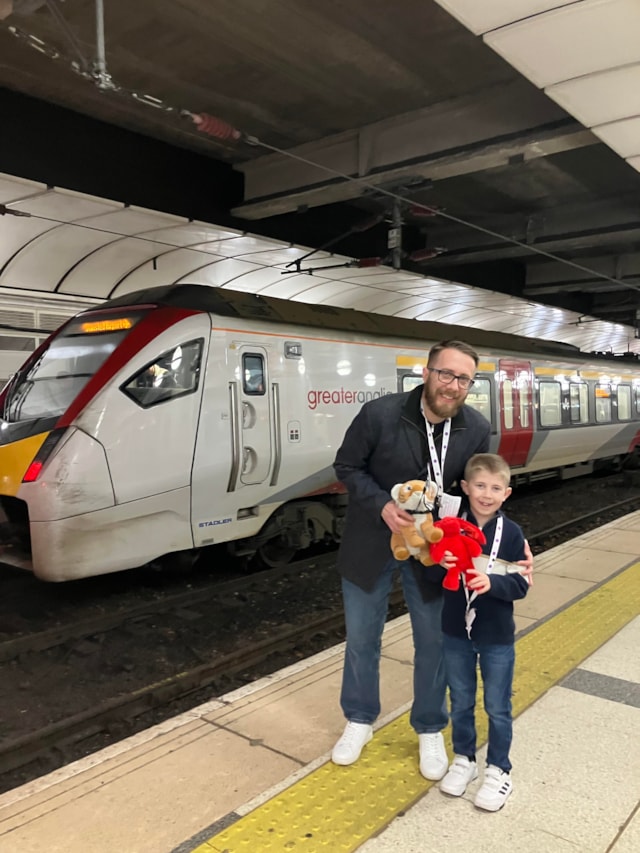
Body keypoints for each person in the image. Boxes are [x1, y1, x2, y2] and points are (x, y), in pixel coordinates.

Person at [331, 339, 494, 779]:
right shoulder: (381, 415)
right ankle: (359, 720)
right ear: (426, 372)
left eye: (463, 378)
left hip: (435, 553)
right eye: (445, 374)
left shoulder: (476, 428)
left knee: (435, 643)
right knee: (363, 639)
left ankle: (428, 728)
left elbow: (480, 492)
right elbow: (346, 467)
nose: (452, 385)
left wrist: (500, 543)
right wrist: (383, 504)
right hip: (373, 541)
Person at [435, 453, 529, 811]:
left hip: (496, 635)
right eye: (479, 486)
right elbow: (433, 577)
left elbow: (521, 584)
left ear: (506, 493)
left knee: (497, 705)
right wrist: (437, 564)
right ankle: (465, 759)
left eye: (494, 488)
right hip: (455, 631)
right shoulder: (449, 527)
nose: (486, 494)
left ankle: (499, 769)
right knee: (460, 700)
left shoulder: (512, 534)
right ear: (465, 488)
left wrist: (493, 583)